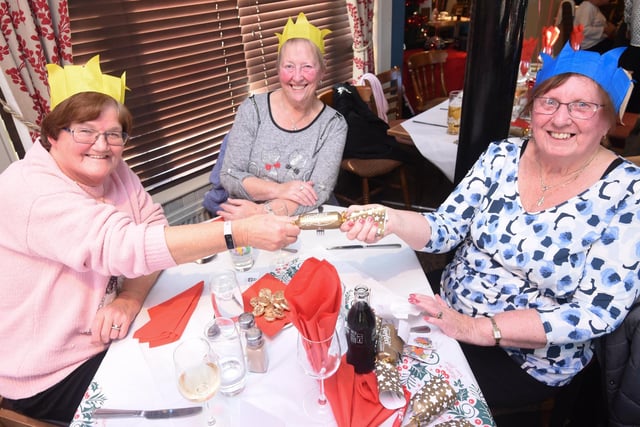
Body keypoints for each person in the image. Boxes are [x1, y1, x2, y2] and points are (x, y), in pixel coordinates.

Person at [340, 43, 639, 418]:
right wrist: (389, 217)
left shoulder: (628, 192)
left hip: (525, 358)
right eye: (549, 102)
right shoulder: (502, 156)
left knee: (407, 396)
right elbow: (444, 228)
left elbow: (595, 312)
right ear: (532, 111)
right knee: (358, 343)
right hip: (446, 309)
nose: (561, 119)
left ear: (608, 119)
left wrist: (478, 329)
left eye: (582, 106)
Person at [0, 57, 300, 424]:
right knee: (186, 402)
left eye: (114, 134)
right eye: (84, 131)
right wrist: (237, 231)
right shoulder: (30, 190)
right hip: (55, 372)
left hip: (116, 335)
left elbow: (152, 229)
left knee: (221, 350)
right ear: (52, 134)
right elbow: (124, 245)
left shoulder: (115, 169)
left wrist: (129, 297)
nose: (102, 145)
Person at [216, 12, 348, 220]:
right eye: (289, 66)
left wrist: (262, 211)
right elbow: (230, 174)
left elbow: (319, 190)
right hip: (243, 220)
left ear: (322, 72)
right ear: (278, 70)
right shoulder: (252, 110)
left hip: (299, 220)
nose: (297, 77)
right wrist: (281, 190)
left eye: (307, 66)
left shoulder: (333, 124)